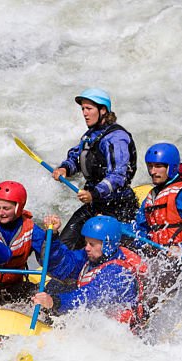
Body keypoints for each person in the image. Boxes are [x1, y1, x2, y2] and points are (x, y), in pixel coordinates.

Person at [51, 88, 138, 249]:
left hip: (118, 208)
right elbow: (78, 157)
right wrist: (65, 169)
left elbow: (118, 175)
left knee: (102, 252)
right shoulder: (91, 135)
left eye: (89, 108)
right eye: (83, 109)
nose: (84, 113)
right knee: (65, 245)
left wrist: (94, 193)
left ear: (103, 110)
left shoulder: (116, 138)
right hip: (96, 204)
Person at [31, 214, 147, 330]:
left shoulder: (119, 273)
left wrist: (54, 302)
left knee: (58, 293)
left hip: (118, 334)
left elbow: (88, 298)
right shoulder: (92, 258)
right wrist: (54, 236)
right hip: (94, 326)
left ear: (108, 245)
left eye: (92, 244)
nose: (86, 248)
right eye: (86, 242)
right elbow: (61, 265)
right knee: (54, 285)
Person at [0, 181, 54, 305]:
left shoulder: (31, 229)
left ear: (18, 208)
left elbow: (48, 259)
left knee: (44, 298)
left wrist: (53, 235)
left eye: (6, 208)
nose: (1, 212)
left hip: (14, 286)